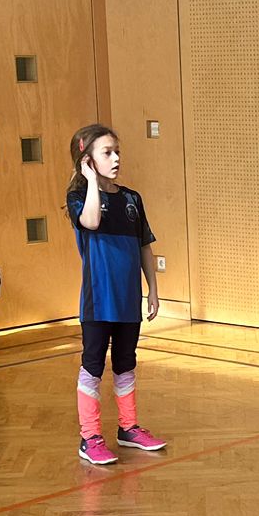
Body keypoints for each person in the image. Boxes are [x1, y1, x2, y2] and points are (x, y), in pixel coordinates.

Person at [67, 123, 163, 466]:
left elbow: (144, 246)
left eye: (117, 151)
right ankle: (90, 436)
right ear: (87, 160)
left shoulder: (132, 199)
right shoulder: (79, 198)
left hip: (127, 301)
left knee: (126, 363)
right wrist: (91, 181)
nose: (116, 158)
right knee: (93, 366)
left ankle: (128, 427)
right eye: (107, 153)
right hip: (98, 301)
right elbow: (92, 222)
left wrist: (153, 290)